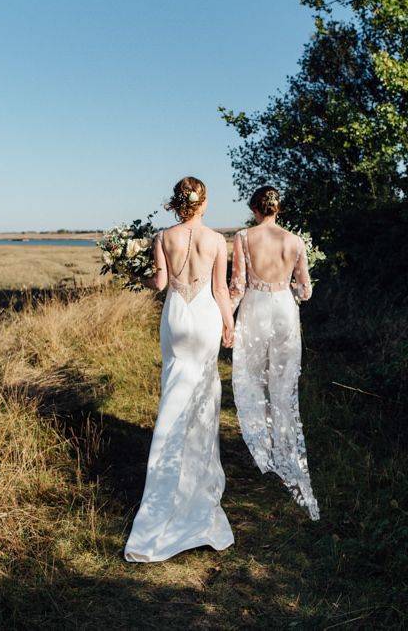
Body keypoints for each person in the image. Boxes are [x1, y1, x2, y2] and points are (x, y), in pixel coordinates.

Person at [124, 176, 235, 562]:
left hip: (175, 317)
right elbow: (221, 290)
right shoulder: (218, 241)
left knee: (173, 396)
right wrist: (228, 323)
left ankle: (161, 503)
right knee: (203, 403)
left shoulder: (162, 237)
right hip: (203, 317)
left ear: (179, 203)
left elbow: (158, 283)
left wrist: (129, 272)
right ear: (203, 203)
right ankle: (197, 504)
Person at [229, 186, 320, 520]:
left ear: (255, 208)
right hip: (283, 310)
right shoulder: (295, 241)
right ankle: (284, 446)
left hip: (254, 308)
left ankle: (261, 447)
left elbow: (237, 286)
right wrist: (291, 289)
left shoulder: (242, 237)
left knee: (251, 377)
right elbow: (306, 290)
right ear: (277, 209)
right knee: (283, 382)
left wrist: (225, 318)